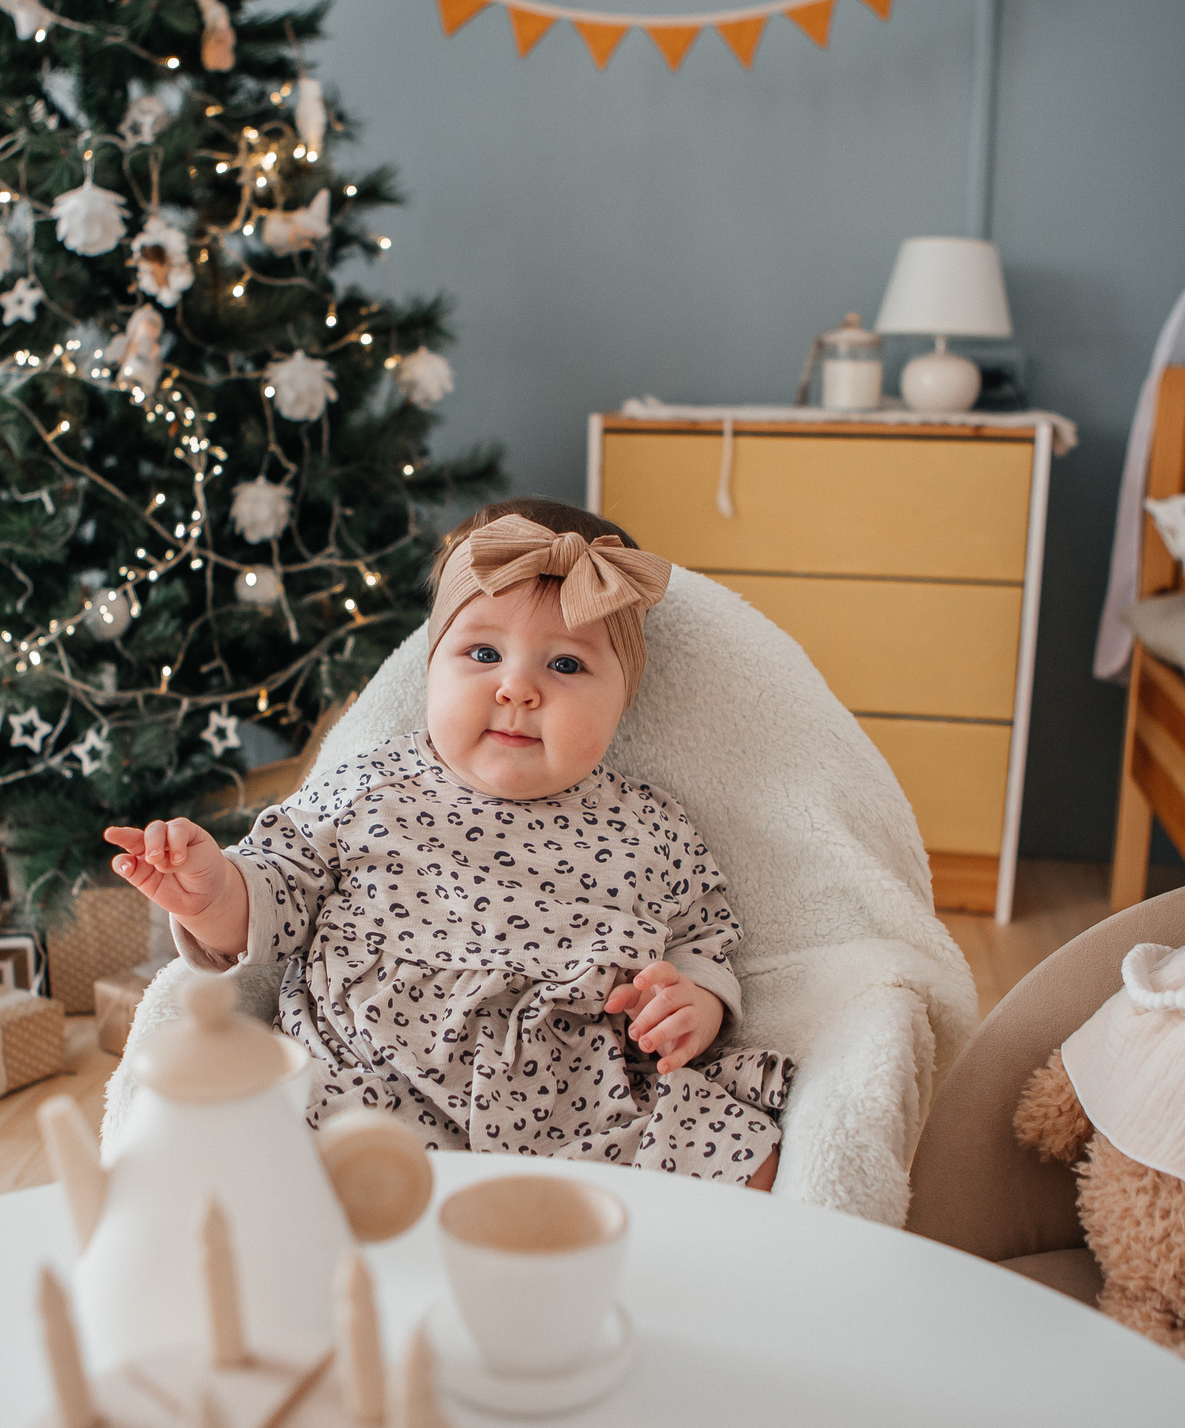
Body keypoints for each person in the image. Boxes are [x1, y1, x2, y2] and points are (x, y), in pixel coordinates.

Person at [106, 497, 788, 1188]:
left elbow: (703, 938)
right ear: (430, 669)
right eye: (483, 653)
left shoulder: (651, 826)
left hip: (580, 1099)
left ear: (624, 698)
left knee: (748, 1156)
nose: (517, 687)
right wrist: (214, 891)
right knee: (254, 1148)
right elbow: (273, 894)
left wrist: (694, 1004)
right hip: (371, 1079)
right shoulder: (367, 786)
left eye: (567, 666)